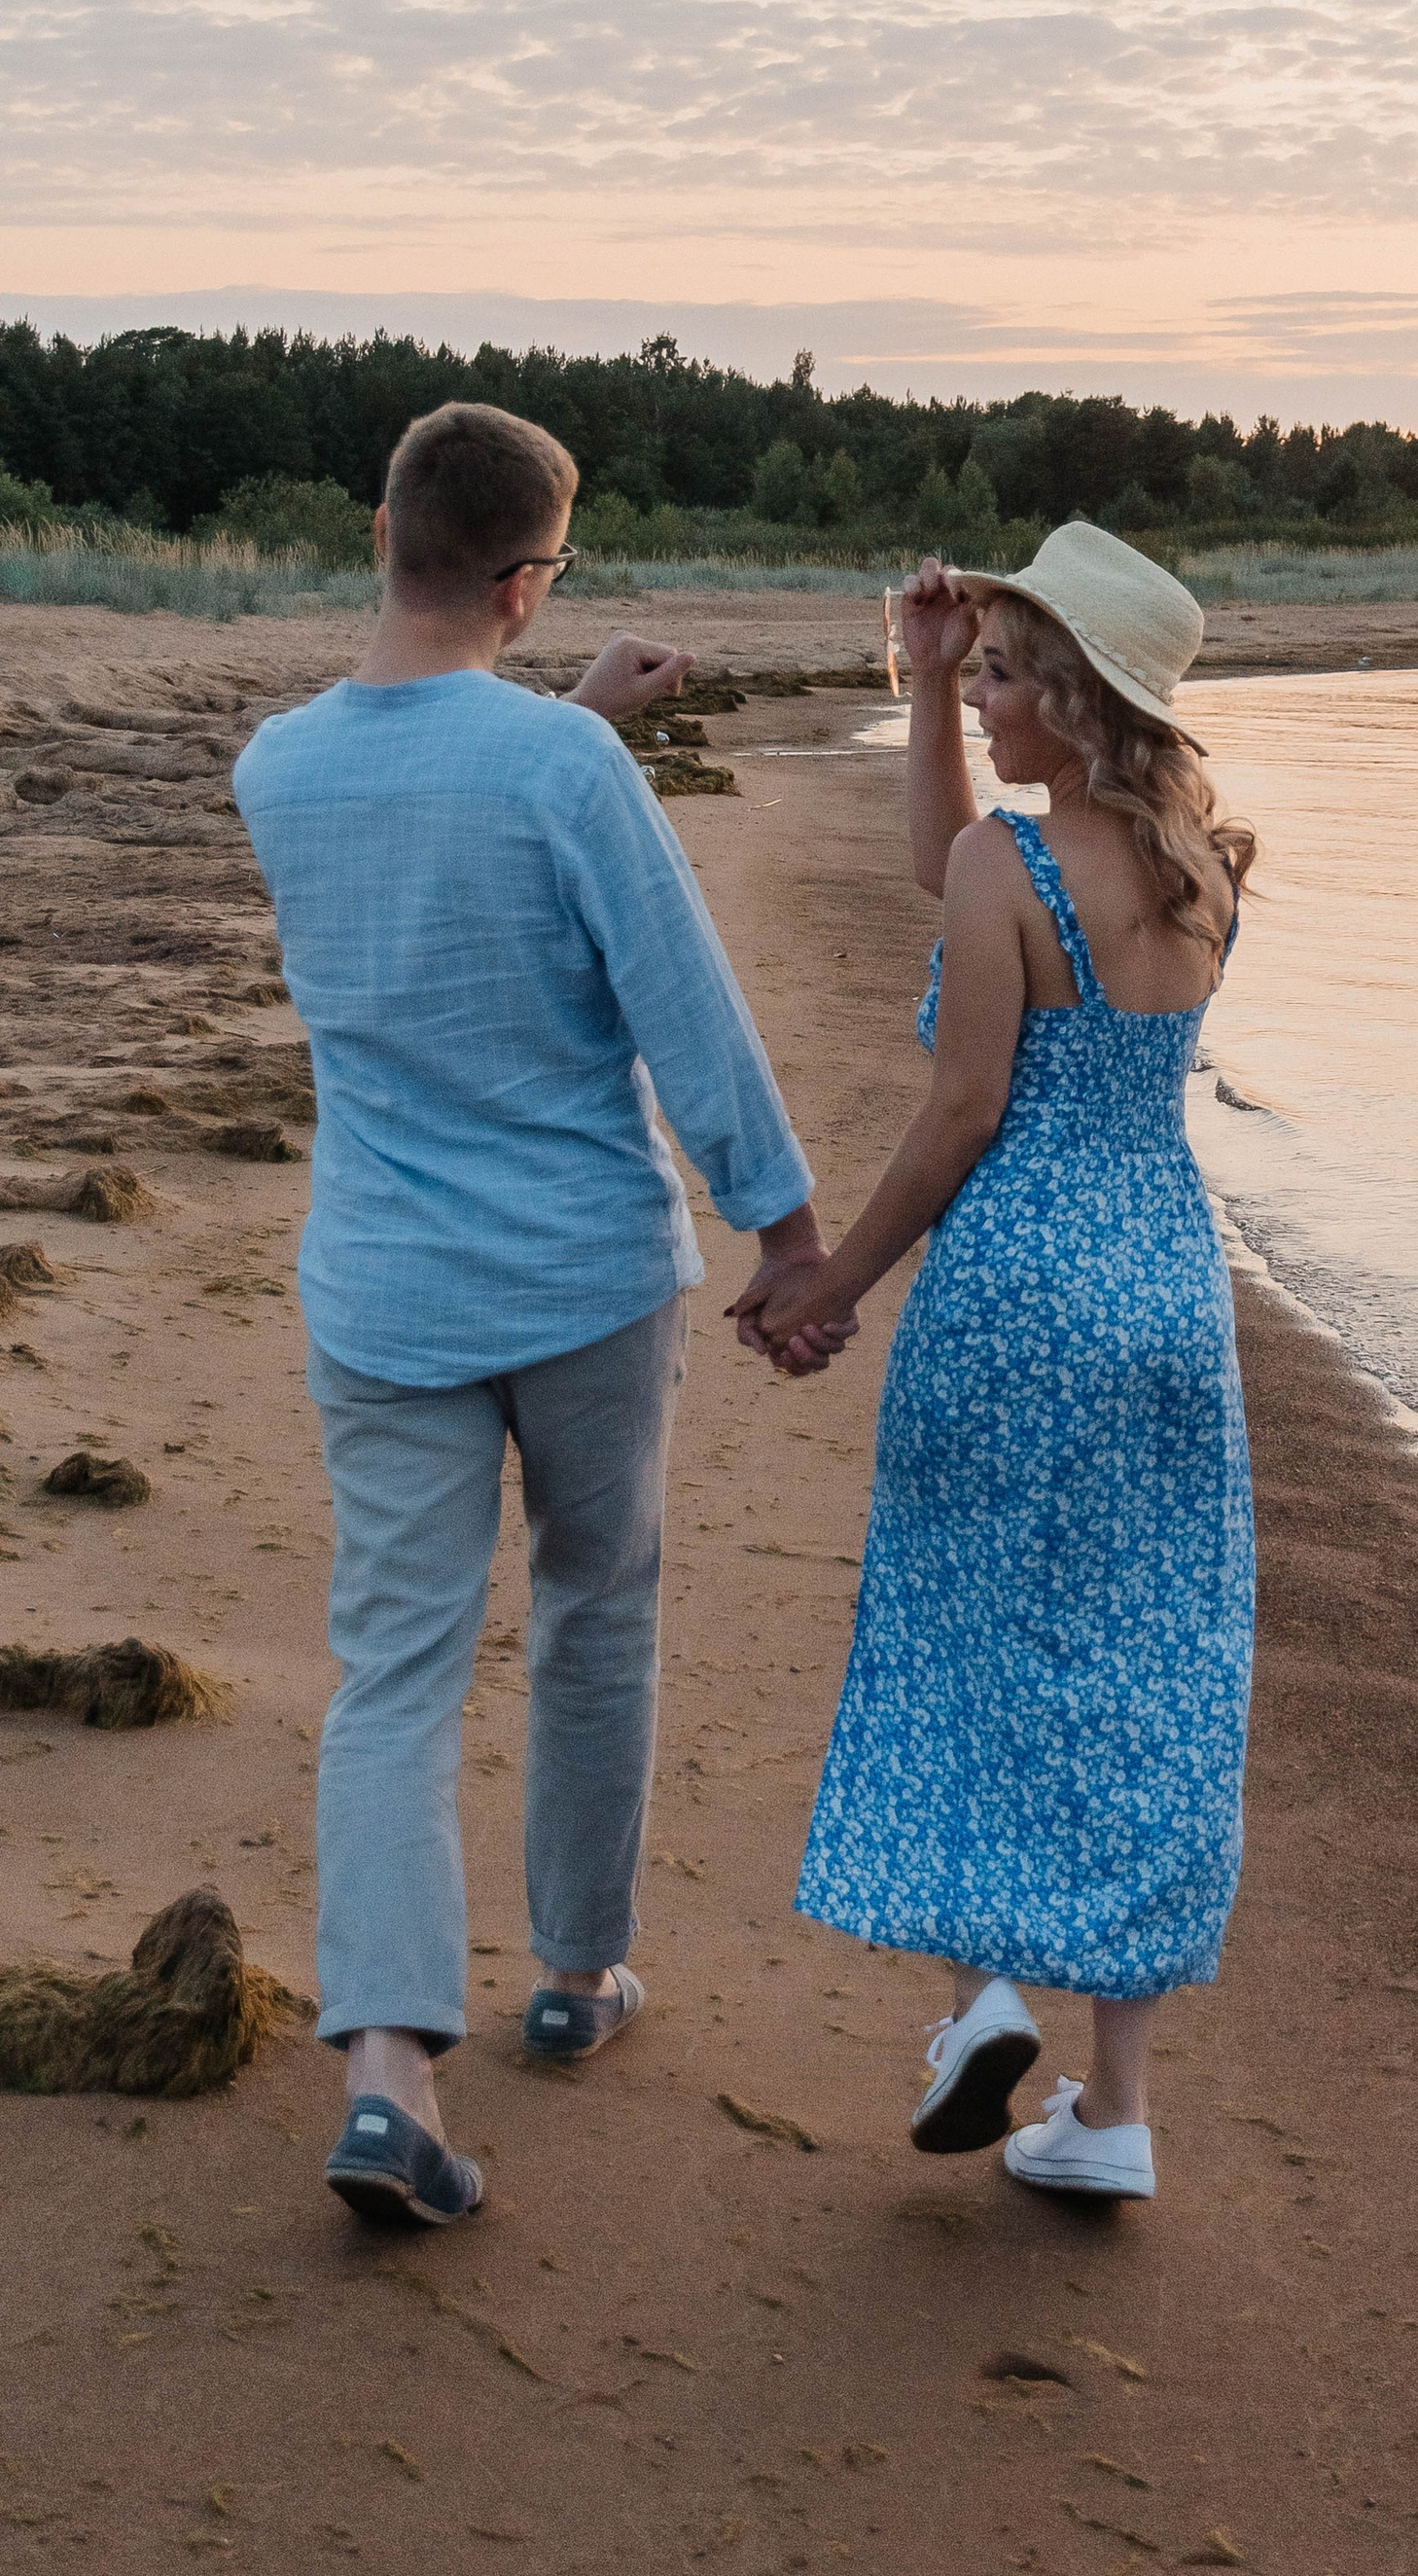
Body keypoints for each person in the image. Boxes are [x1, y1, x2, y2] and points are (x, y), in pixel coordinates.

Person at [233, 401, 843, 2228]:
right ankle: (575, 1977)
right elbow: (685, 1010)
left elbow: (435, 838)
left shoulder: (278, 768)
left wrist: (563, 706)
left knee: (396, 1672)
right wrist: (790, 1234)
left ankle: (388, 2073)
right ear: (529, 578)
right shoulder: (564, 776)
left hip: (385, 1289)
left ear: (375, 533)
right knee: (597, 1609)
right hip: (580, 1276)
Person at [736, 522, 1257, 2201]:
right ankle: (1116, 2109)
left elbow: (964, 1111)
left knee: (960, 1635)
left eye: (1021, 674)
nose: (1002, 696)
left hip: (1022, 1288)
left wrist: (831, 1284)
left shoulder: (1007, 877)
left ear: (1084, 702)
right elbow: (957, 871)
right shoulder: (1207, 866)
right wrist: (942, 683)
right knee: (1141, 1674)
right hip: (1168, 1290)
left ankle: (976, 2004)